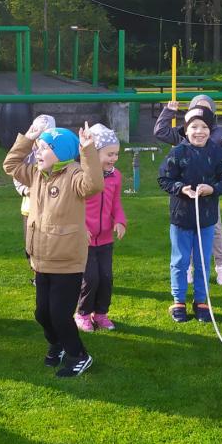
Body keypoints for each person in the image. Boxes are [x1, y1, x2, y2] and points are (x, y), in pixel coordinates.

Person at [3, 118, 103, 378]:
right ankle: (57, 343)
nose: (37, 153)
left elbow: (94, 184)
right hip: (41, 257)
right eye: (37, 148)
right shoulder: (36, 173)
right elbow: (10, 165)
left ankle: (79, 355)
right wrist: (28, 138)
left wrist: (87, 150)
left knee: (59, 314)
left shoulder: (74, 175)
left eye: (44, 148)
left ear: (61, 153)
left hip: (67, 260)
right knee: (42, 313)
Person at [153, 93, 222, 285]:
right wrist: (168, 112)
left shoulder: (218, 134)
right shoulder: (186, 131)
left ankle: (221, 267)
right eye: (197, 108)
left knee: (215, 230)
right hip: (183, 197)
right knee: (185, 232)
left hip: (208, 197)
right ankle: (188, 269)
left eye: (206, 109)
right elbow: (160, 132)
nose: (199, 130)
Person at [158, 105, 222, 324]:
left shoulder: (217, 152)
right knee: (180, 261)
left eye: (204, 127)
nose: (199, 131)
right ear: (186, 130)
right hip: (181, 218)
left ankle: (201, 301)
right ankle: (178, 301)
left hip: (207, 219)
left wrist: (212, 189)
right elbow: (164, 179)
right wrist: (181, 188)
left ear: (210, 130)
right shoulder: (177, 152)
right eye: (194, 127)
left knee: (202, 261)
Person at [75, 124, 126, 332]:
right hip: (85, 239)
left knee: (106, 278)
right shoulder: (82, 177)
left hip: (105, 239)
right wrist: (80, 228)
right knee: (90, 279)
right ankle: (82, 314)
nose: (114, 158)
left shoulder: (116, 176)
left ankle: (101, 314)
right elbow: (73, 206)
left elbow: (116, 203)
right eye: (109, 154)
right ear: (94, 153)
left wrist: (120, 221)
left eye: (116, 154)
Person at [12, 113, 54, 281]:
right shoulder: (27, 153)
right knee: (30, 244)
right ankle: (36, 272)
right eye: (37, 133)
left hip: (50, 208)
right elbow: (15, 171)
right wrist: (25, 190)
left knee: (49, 242)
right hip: (29, 208)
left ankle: (46, 275)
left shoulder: (56, 153)